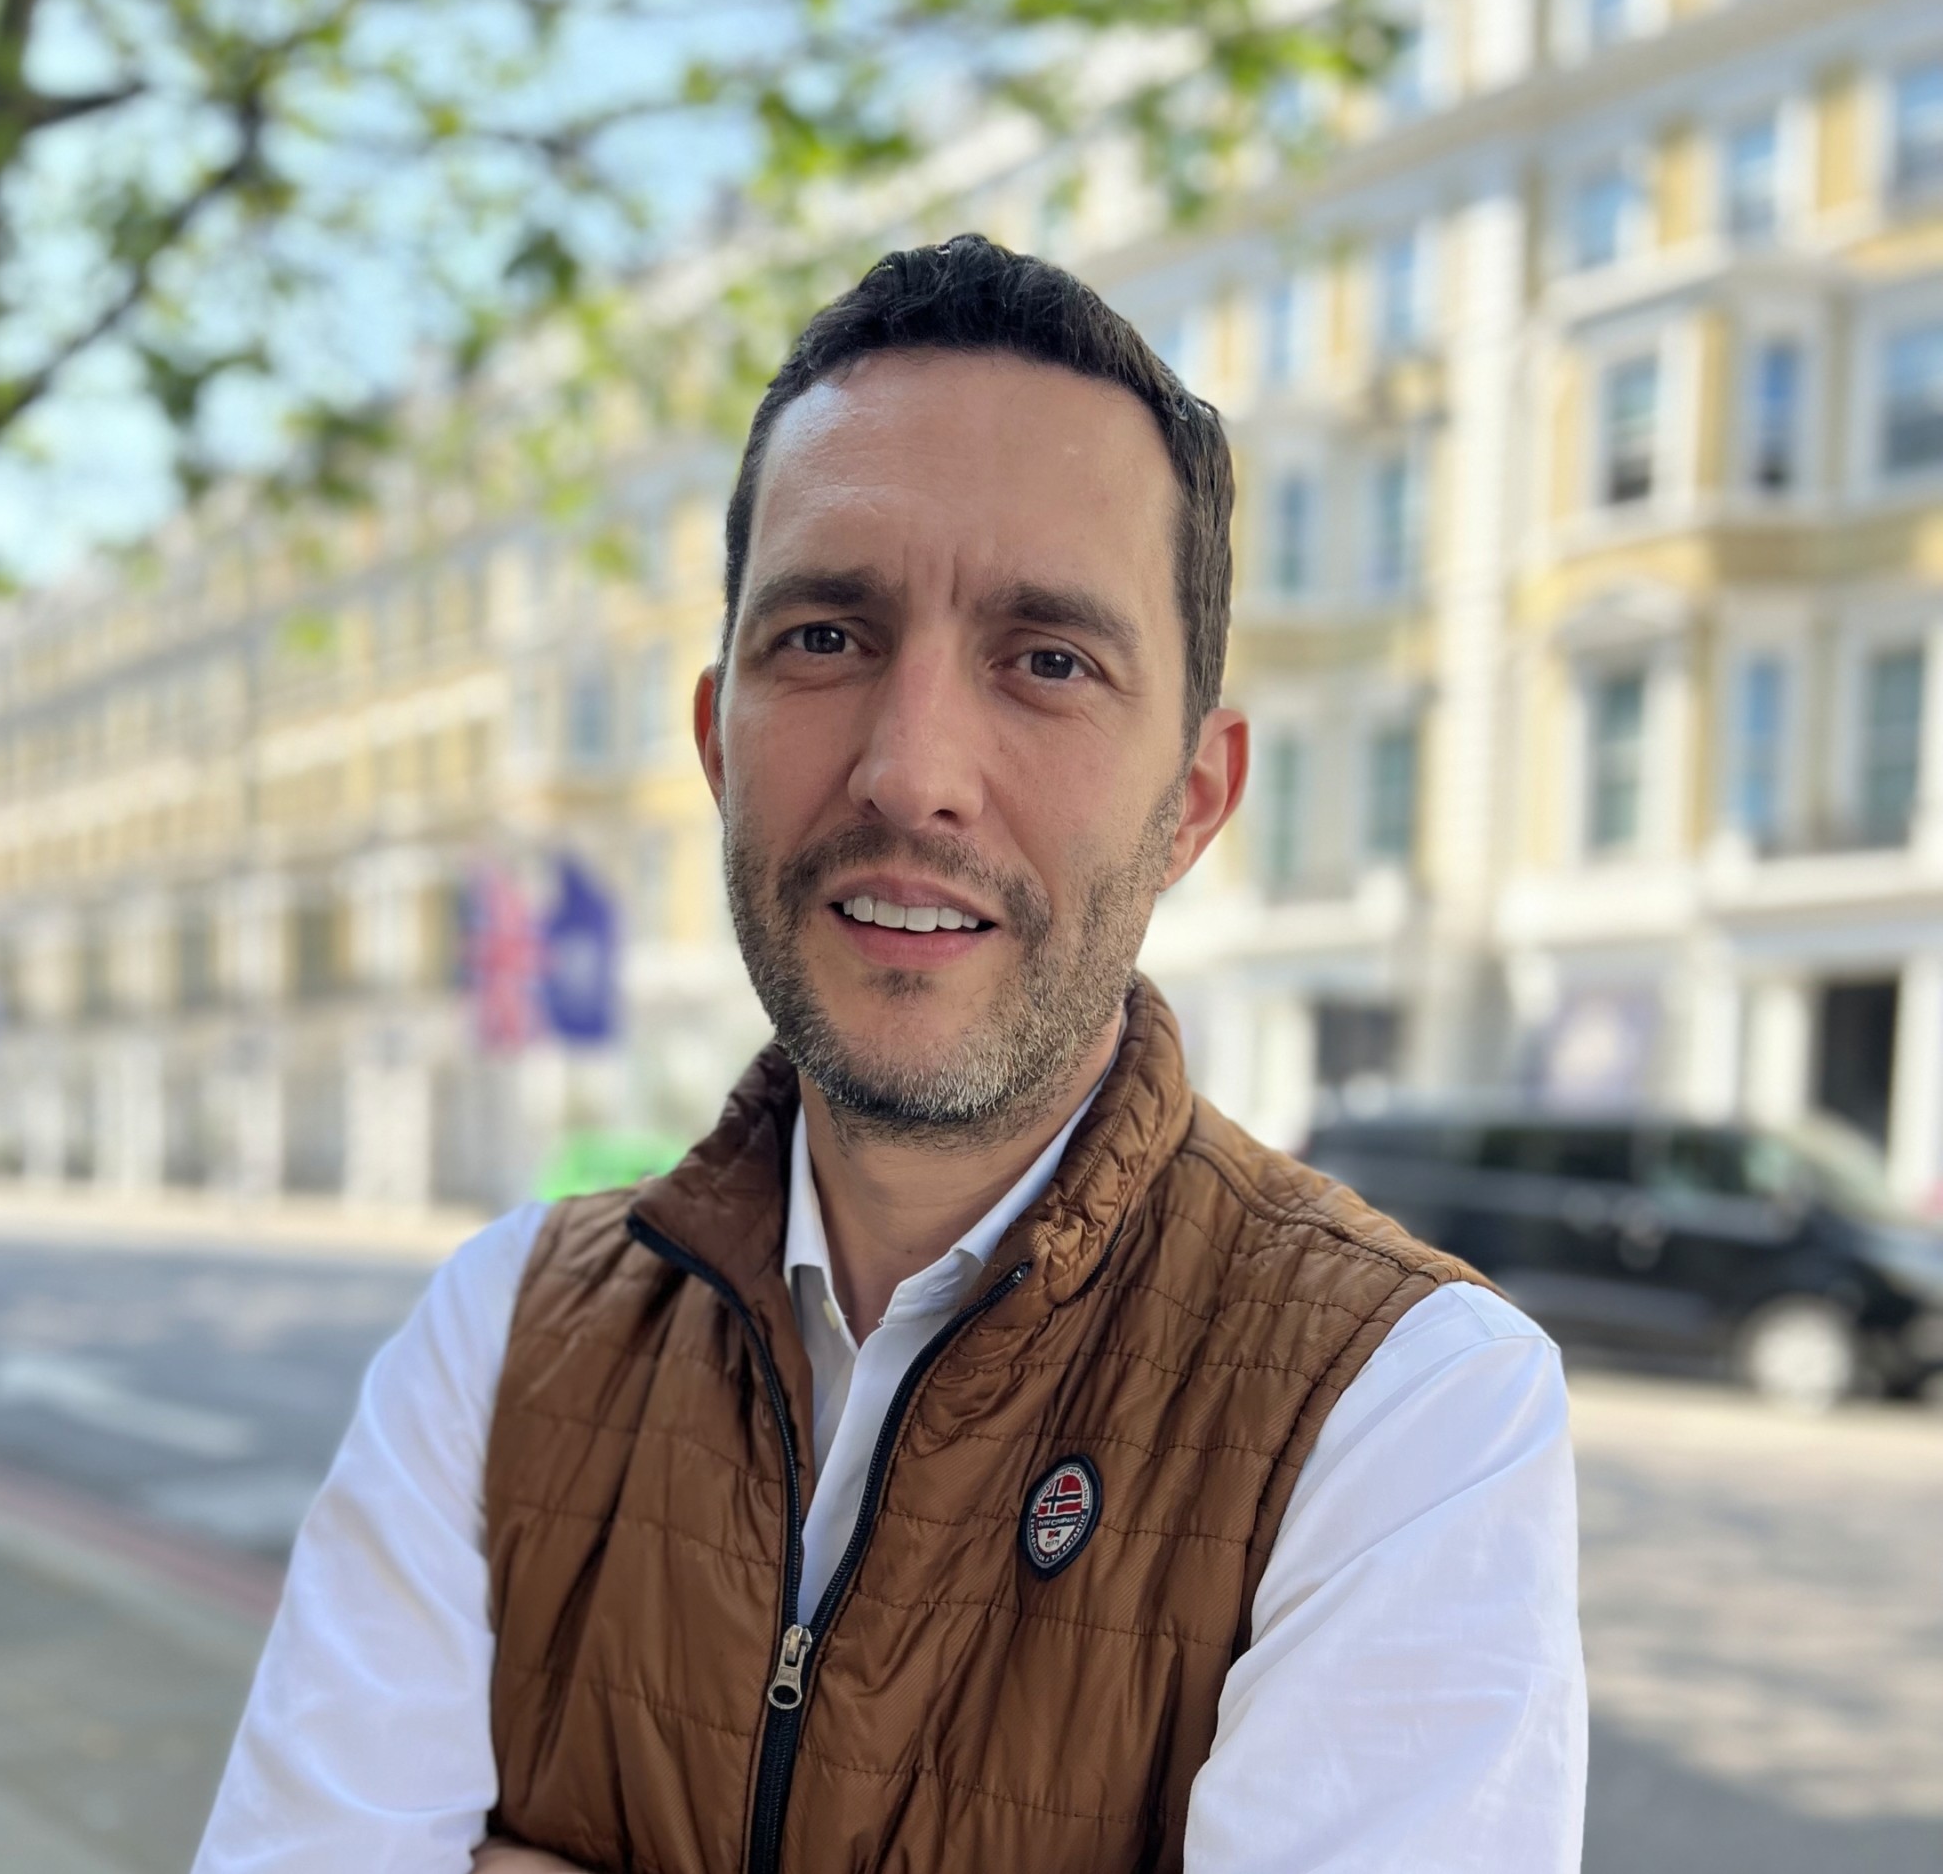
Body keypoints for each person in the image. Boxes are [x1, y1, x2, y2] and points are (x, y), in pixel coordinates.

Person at [195, 234, 1585, 1874]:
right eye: (829, 638)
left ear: (1194, 799)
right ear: (719, 740)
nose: (912, 770)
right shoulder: (501, 1332)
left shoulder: (1405, 1409)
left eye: (1048, 660)